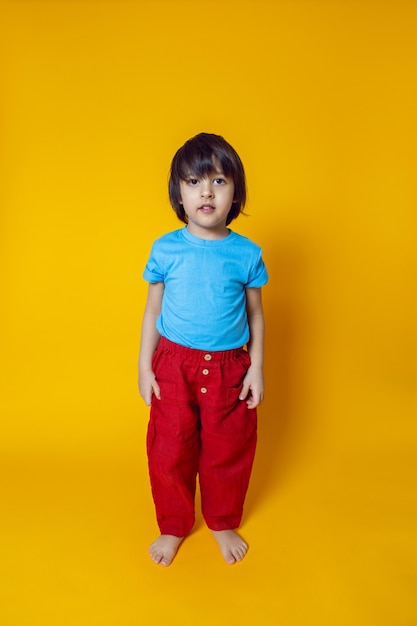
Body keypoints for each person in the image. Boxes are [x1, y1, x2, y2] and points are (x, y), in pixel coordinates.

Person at [139, 132, 268, 566]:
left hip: (230, 367)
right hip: (174, 364)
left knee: (228, 447)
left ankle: (222, 519)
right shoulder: (166, 249)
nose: (206, 191)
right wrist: (144, 366)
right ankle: (173, 525)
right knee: (169, 447)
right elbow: (152, 309)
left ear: (236, 192)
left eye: (218, 181)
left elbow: (256, 316)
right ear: (179, 192)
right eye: (194, 182)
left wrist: (256, 368)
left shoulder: (246, 254)